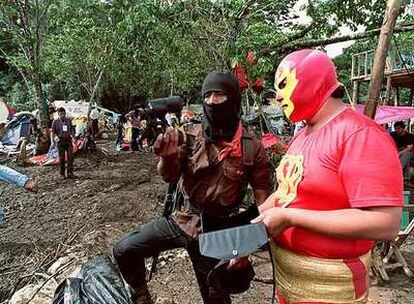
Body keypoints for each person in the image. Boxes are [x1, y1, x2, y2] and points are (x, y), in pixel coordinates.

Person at [253, 50, 403, 304]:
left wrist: (291, 217)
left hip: (331, 290)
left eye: (283, 85)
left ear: (311, 81)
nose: (278, 96)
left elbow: (386, 222)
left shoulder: (360, 135)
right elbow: (286, 192)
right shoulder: (303, 134)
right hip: (288, 283)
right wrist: (248, 226)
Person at [114, 70, 271, 304]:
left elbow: (264, 203)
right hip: (184, 219)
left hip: (219, 230)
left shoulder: (252, 148)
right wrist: (166, 158)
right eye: (207, 96)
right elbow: (169, 177)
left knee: (216, 297)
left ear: (233, 99)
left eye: (219, 96)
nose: (211, 102)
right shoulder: (189, 135)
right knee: (125, 249)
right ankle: (141, 297)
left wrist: (246, 245)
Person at [51, 107, 75, 179]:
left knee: (70, 157)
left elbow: (71, 130)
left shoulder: (68, 121)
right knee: (61, 158)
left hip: (68, 140)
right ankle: (62, 174)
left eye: (63, 114)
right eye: (60, 114)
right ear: (58, 114)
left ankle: (70, 173)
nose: (62, 115)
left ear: (65, 113)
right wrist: (53, 141)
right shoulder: (55, 122)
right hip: (60, 141)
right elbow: (53, 132)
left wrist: (74, 137)